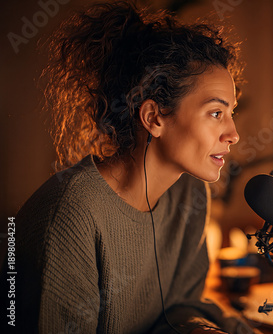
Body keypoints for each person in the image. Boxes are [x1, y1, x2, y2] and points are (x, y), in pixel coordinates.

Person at [1, 1, 256, 333]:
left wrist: (203, 328)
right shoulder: (69, 217)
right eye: (216, 113)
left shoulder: (190, 193)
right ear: (154, 118)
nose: (234, 134)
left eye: (231, 112)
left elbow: (179, 307)